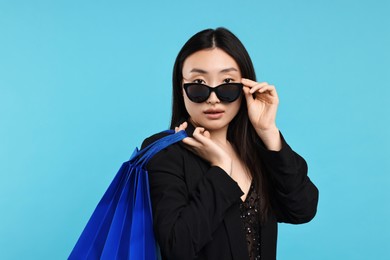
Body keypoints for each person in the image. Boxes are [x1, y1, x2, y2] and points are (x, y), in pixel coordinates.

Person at [142, 27, 319, 260]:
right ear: (181, 88)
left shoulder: (256, 149)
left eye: (227, 82)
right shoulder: (165, 152)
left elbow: (302, 209)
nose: (213, 97)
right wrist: (222, 169)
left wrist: (268, 132)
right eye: (198, 83)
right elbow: (177, 246)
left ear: (245, 86)